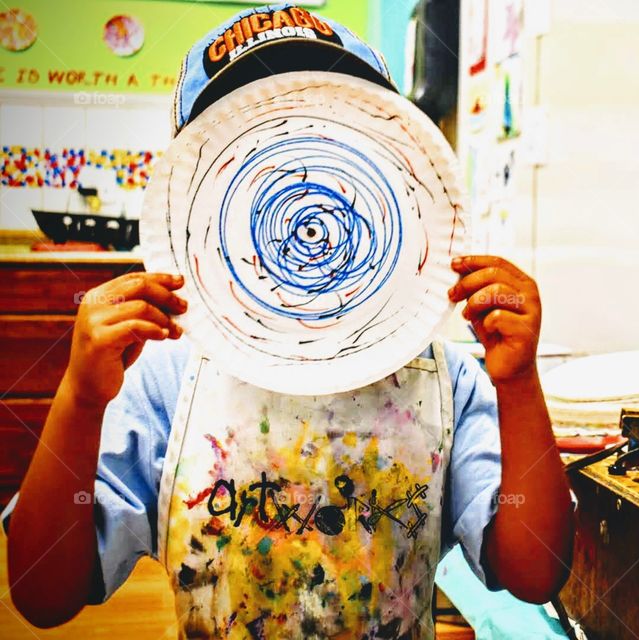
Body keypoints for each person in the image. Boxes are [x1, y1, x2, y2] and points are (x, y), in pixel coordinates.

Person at [3, 4, 573, 638]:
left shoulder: (443, 380)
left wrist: (519, 385)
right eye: (255, 144)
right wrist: (80, 399)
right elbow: (39, 594)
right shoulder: (165, 379)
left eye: (326, 135)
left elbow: (534, 575)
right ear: (199, 189)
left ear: (390, 164)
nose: (301, 179)